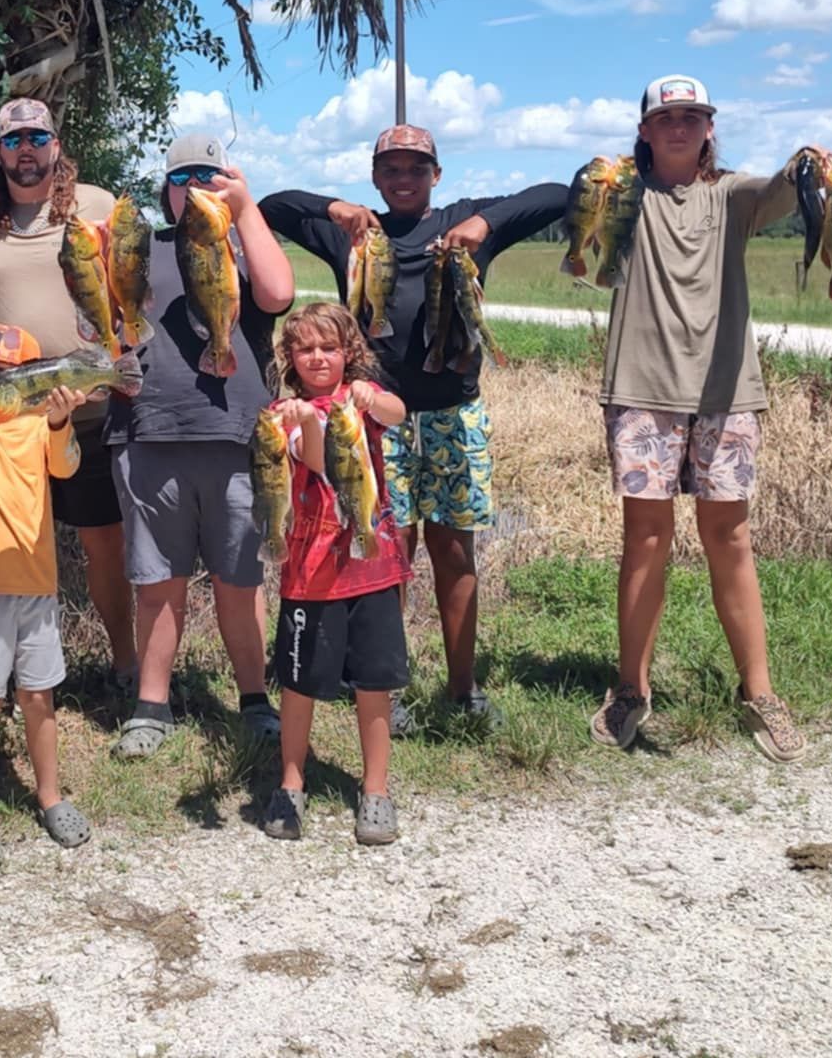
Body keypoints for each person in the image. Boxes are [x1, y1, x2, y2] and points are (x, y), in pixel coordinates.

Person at [261, 127, 565, 725]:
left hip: (454, 412)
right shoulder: (355, 233)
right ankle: (385, 688)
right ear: (375, 178)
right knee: (386, 551)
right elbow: (274, 206)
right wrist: (337, 209)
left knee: (454, 550)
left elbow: (557, 193)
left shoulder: (461, 224)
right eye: (392, 170)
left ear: (436, 174)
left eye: (417, 168)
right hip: (373, 421)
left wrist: (485, 224)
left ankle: (463, 690)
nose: (404, 179)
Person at [591, 75, 811, 763]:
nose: (680, 127)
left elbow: (779, 192)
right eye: (667, 118)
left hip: (727, 392)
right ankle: (631, 687)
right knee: (645, 540)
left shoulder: (732, 195)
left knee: (731, 537)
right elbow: (575, 213)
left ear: (710, 127)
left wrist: (808, 164)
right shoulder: (625, 196)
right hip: (643, 387)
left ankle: (761, 693)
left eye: (692, 116)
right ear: (646, 130)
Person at [0, 99, 137, 694]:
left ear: (56, 146)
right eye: (15, 140)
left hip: (86, 411)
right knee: (6, 547)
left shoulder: (99, 206)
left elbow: (144, 275)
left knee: (103, 545)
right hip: (7, 426)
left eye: (38, 137)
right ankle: (4, 678)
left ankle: (124, 664)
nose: (27, 149)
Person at [109, 133, 295, 759]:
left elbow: (277, 296)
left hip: (237, 433)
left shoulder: (242, 243)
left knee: (239, 579)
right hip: (151, 429)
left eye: (210, 176)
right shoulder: (144, 247)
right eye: (183, 177)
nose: (196, 188)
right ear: (164, 190)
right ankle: (151, 704)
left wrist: (246, 211)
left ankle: (254, 700)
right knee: (158, 580)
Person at [0, 324, 93, 870]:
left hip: (36, 586)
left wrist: (58, 419)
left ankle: (49, 796)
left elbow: (67, 464)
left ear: (28, 381)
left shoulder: (38, 425)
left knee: (38, 699)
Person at [262, 303, 412, 846]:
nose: (318, 358)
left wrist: (374, 398)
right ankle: (291, 783)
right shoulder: (286, 413)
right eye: (305, 349)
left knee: (375, 681)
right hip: (311, 570)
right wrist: (305, 421)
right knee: (299, 683)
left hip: (371, 564)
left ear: (349, 353)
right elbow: (319, 462)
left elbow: (397, 412)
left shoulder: (360, 400)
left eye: (329, 347)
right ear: (290, 358)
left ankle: (376, 790)